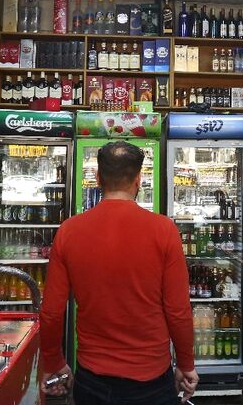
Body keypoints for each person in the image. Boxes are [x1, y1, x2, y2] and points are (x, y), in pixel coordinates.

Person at [39, 141, 198, 404]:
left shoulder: (69, 230)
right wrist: (186, 363)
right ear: (139, 179)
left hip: (92, 378)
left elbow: (52, 312)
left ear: (98, 178)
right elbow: (178, 309)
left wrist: (53, 362)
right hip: (152, 378)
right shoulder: (164, 230)